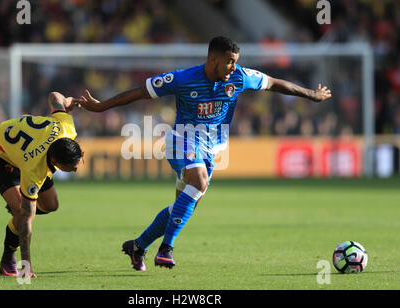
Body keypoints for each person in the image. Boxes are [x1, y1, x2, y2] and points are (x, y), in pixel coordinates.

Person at [76, 36, 332, 270]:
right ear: (213, 59)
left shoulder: (239, 77)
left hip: (212, 148)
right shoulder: (183, 78)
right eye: (230, 62)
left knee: (184, 205)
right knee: (198, 182)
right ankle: (166, 249)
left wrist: (311, 94)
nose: (233, 67)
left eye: (235, 62)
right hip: (181, 141)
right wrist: (101, 107)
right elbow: (139, 93)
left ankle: (138, 246)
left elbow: (273, 83)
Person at [0, 91, 83, 278]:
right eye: (71, 167)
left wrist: (68, 102)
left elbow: (54, 96)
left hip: (24, 150)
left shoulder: (67, 128)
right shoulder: (34, 170)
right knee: (22, 212)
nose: (76, 170)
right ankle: (7, 257)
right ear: (55, 161)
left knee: (51, 205)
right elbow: (28, 220)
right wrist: (26, 266)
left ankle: (18, 204)